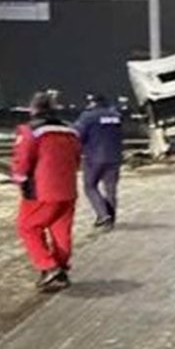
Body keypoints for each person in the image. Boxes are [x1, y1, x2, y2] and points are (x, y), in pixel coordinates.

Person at [11, 91, 81, 292]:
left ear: (34, 109)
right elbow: (76, 159)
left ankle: (49, 267)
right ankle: (60, 268)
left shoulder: (29, 130)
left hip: (41, 190)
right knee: (61, 231)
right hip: (68, 189)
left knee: (28, 227)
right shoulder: (71, 131)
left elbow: (22, 160)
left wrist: (19, 178)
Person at [75, 93, 123, 230]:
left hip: (94, 157)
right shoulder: (116, 116)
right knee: (111, 190)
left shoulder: (88, 117)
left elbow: (78, 135)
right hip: (114, 157)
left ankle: (103, 214)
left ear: (93, 103)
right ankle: (111, 220)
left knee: (90, 186)